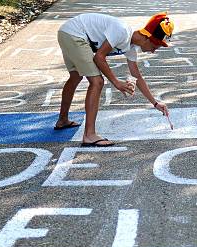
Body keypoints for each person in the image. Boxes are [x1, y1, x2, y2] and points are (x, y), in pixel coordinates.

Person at [55, 12, 174, 147]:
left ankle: (63, 120)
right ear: (147, 38)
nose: (153, 51)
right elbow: (99, 57)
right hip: (75, 34)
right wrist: (117, 83)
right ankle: (89, 135)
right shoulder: (122, 31)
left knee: (75, 76)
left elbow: (137, 76)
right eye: (154, 47)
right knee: (97, 82)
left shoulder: (130, 47)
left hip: (67, 32)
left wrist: (155, 103)